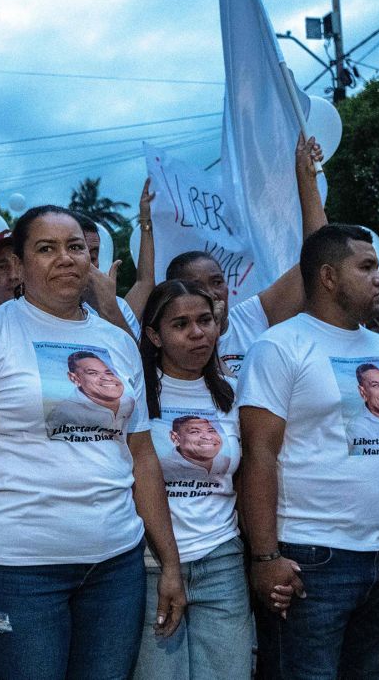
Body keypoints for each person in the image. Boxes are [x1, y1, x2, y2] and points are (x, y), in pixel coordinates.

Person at [0, 205, 185, 680]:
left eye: (74, 247)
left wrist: (169, 563)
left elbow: (142, 457)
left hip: (115, 566)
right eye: (46, 248)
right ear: (18, 265)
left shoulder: (117, 341)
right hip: (19, 569)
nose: (66, 259)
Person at [238, 224, 379, 679]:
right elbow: (259, 454)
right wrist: (265, 558)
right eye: (366, 267)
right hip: (308, 559)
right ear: (328, 277)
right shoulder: (278, 346)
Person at [133, 279, 252, 680]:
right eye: (180, 324)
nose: (197, 333)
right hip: (149, 565)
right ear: (155, 335)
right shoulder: (135, 394)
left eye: (205, 320)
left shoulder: (234, 394)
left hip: (221, 561)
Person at [167, 138, 328, 377]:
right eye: (196, 287)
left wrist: (306, 179)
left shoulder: (251, 317)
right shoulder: (169, 345)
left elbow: (319, 256)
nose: (212, 293)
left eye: (217, 282)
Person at [75, 212, 143, 339]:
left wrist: (109, 308)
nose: (87, 266)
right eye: (77, 252)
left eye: (93, 257)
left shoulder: (119, 306)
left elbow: (136, 357)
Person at [44, 350, 135, 439]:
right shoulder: (63, 414)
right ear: (74, 379)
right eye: (93, 373)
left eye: (109, 373)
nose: (107, 378)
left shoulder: (129, 402)